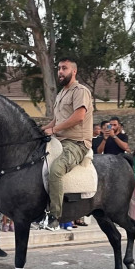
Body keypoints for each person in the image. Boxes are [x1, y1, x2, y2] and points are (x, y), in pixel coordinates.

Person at [42, 57, 94, 228]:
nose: (60, 72)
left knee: (56, 170)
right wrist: (41, 130)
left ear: (74, 71)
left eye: (64, 68)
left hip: (77, 143)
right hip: (59, 140)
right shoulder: (61, 94)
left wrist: (54, 130)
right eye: (59, 68)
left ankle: (55, 216)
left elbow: (79, 117)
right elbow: (55, 122)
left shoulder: (80, 91)